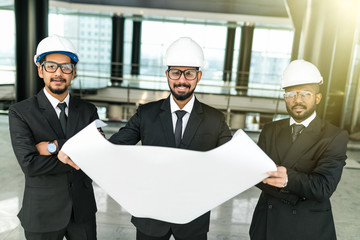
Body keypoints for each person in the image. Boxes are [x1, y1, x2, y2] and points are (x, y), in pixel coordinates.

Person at [108, 37, 232, 240]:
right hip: (151, 216)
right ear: (167, 75)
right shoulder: (146, 113)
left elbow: (233, 157)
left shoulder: (215, 119)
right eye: (176, 72)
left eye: (189, 73)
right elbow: (116, 146)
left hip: (193, 216)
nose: (182, 80)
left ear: (198, 76)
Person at [9, 35, 98, 240]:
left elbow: (96, 157)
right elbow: (30, 164)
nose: (58, 73)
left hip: (82, 211)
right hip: (42, 212)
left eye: (65, 67)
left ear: (73, 72)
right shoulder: (20, 112)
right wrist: (79, 152)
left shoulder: (88, 111)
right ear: (40, 70)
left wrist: (53, 147)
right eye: (51, 66)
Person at [249, 59, 349, 240]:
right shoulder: (270, 130)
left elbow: (323, 188)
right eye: (291, 94)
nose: (297, 100)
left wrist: (287, 178)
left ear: (317, 98)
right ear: (284, 97)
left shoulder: (334, 136)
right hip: (266, 225)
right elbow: (257, 175)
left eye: (305, 94)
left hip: (308, 228)